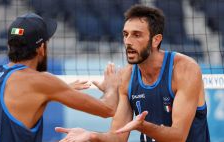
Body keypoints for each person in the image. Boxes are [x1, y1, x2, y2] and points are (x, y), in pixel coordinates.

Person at [55, 5, 210, 142]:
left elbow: (178, 137)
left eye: (136, 35)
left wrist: (143, 126)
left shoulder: (185, 69)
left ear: (156, 40)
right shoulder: (127, 76)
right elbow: (118, 137)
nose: (128, 41)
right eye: (125, 34)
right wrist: (90, 135)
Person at [0, 13, 120, 142]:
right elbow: (107, 109)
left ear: (10, 46)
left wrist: (56, 91)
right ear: (41, 48)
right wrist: (112, 87)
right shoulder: (41, 81)